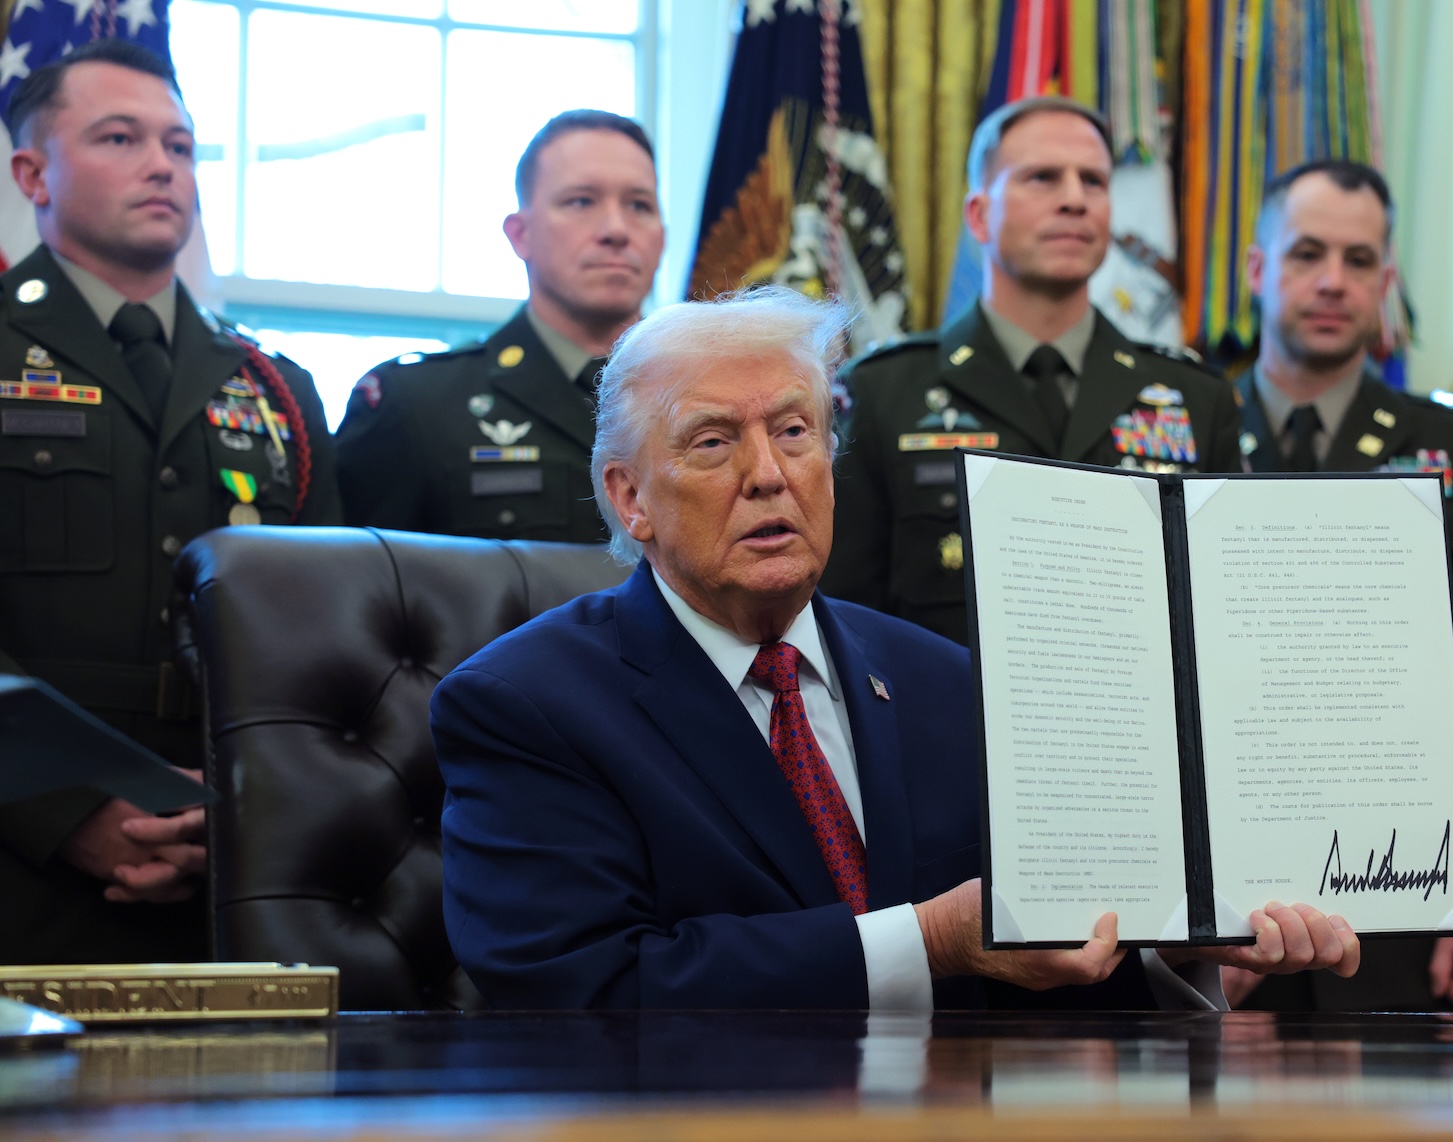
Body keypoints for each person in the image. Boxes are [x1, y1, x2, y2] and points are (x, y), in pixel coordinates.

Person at [431, 287, 1361, 1011]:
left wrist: (1176, 952)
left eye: (795, 431)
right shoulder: (526, 705)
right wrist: (931, 940)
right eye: (713, 442)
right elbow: (583, 991)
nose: (768, 474)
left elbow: (1026, 970)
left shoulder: (950, 683)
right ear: (630, 496)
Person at [0, 40, 339, 963]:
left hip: (243, 865)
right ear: (33, 171)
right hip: (20, 865)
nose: (162, 165)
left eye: (181, 147)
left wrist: (243, 813)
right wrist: (63, 810)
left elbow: (334, 645)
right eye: (120, 138)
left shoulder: (273, 386)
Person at [1226, 160, 1453, 1013]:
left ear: (1386, 282)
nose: (1334, 282)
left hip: (1406, 910)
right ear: (1257, 270)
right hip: (1220, 916)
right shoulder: (1186, 442)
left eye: (1360, 261)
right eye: (1307, 254)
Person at [823, 97, 1240, 644]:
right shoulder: (885, 393)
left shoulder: (1193, 397)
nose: (1074, 200)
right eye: (1043, 178)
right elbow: (846, 624)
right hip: (948, 723)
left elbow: (1219, 620)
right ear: (978, 215)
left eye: (1093, 181)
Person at [336, 110, 664, 543]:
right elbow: (354, 593)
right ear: (520, 234)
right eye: (581, 201)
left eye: (639, 205)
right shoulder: (418, 406)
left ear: (663, 236)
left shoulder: (708, 401)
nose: (616, 230)